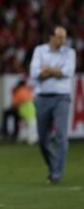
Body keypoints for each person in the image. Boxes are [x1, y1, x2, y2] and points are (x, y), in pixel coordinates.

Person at [29, 26, 76, 184]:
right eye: (59, 37)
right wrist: (56, 71)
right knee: (43, 139)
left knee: (61, 136)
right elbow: (35, 73)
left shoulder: (70, 53)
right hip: (42, 98)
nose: (63, 41)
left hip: (62, 98)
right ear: (51, 37)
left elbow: (67, 72)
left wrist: (47, 69)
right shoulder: (39, 50)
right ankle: (54, 166)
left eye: (64, 37)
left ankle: (56, 173)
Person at [11, 79, 37, 145]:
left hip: (22, 109)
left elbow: (14, 103)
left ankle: (22, 139)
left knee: (23, 125)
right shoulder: (27, 90)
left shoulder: (19, 91)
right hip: (29, 108)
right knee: (31, 124)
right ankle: (31, 139)